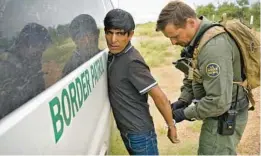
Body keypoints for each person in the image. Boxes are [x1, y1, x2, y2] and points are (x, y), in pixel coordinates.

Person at [156, 1, 249, 155]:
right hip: (218, 114)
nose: (173, 42)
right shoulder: (199, 41)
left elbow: (218, 102)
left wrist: (185, 113)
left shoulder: (213, 47)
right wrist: (184, 100)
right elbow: (193, 74)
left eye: (175, 36)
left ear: (191, 22)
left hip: (224, 117)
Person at [104, 9, 179, 155]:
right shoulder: (114, 55)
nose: (113, 40)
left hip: (140, 135)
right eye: (109, 32)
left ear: (130, 34)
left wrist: (171, 125)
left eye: (120, 33)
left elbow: (159, 97)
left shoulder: (132, 62)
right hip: (127, 131)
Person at [0, 23, 52, 119]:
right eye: (39, 48)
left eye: (43, 48)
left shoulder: (32, 61)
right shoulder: (6, 69)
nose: (41, 53)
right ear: (24, 45)